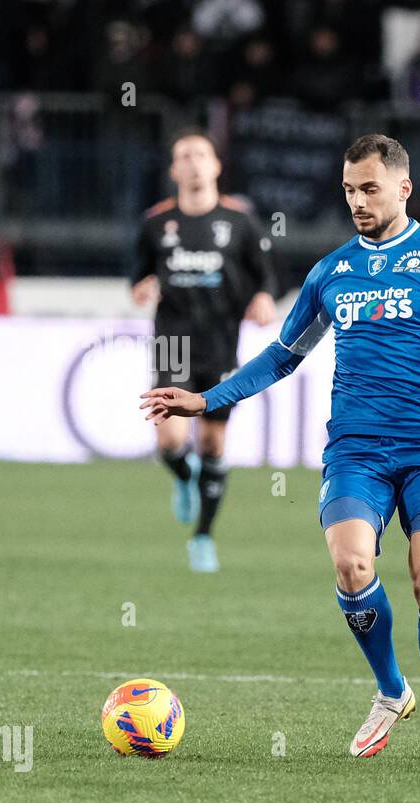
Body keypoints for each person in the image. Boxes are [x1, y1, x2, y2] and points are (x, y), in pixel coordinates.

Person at [140, 134, 420, 764]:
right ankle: (391, 690)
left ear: (404, 188)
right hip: (356, 447)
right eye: (348, 190)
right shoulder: (332, 272)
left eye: (370, 188)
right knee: (351, 568)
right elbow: (282, 356)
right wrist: (206, 399)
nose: (358, 201)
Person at [131, 129, 278, 572]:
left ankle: (202, 537)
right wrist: (142, 287)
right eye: (184, 156)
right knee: (169, 439)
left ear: (216, 165)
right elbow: (137, 276)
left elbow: (268, 276)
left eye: (201, 154)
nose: (193, 162)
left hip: (220, 344)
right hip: (173, 343)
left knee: (213, 442)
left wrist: (264, 297)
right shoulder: (155, 223)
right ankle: (183, 476)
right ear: (174, 169)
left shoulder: (240, 221)